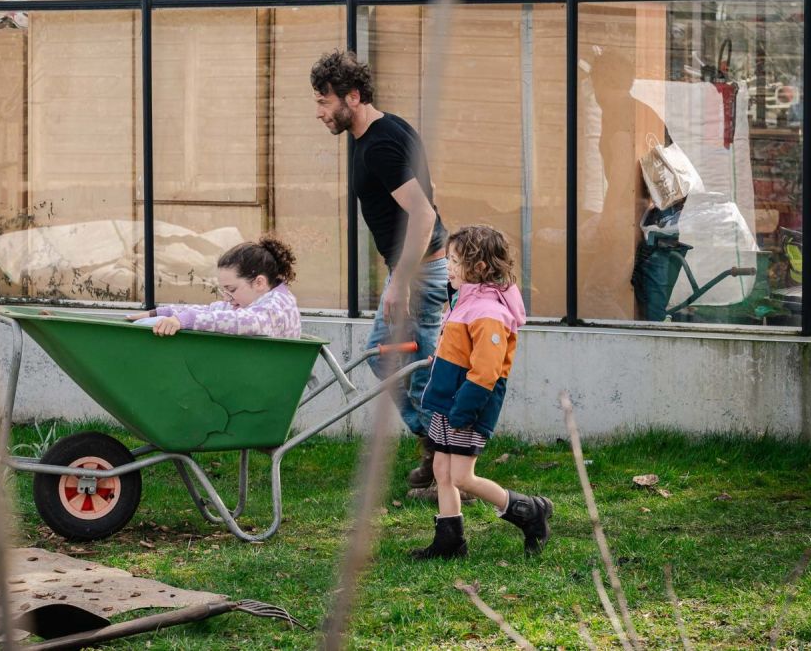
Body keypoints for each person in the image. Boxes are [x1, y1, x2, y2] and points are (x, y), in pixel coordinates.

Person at [310, 49, 449, 489]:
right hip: (418, 269)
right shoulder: (386, 131)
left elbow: (424, 215)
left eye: (324, 101)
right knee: (392, 360)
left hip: (421, 273)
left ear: (352, 96)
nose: (319, 113)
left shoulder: (381, 145)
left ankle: (441, 459)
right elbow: (431, 190)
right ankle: (436, 449)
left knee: (418, 370)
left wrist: (400, 283)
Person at [410, 225, 553, 560]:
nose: (447, 266)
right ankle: (450, 542)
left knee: (461, 476)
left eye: (455, 260)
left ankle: (530, 511)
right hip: (449, 402)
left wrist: (464, 410)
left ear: (481, 268)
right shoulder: (464, 301)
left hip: (467, 406)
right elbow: (461, 349)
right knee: (442, 471)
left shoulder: (489, 311)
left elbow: (487, 371)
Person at [127, 236, 301, 339]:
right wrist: (162, 313)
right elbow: (212, 310)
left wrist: (184, 320)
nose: (227, 297)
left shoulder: (276, 305)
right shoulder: (254, 300)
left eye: (231, 290)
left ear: (259, 283)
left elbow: (247, 322)